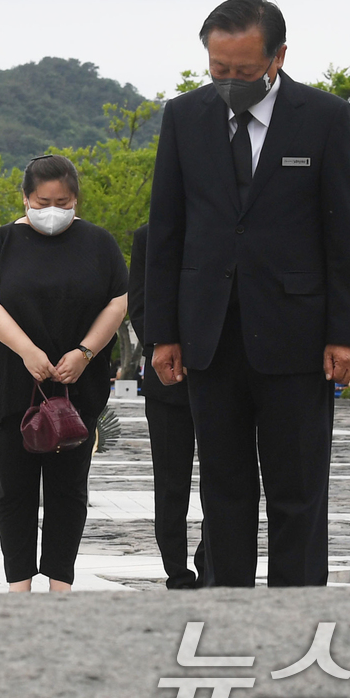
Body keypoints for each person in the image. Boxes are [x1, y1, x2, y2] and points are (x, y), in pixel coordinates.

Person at [145, 0, 350, 588]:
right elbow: (166, 232)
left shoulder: (323, 118)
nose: (230, 82)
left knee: (298, 493)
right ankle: (230, 618)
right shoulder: (184, 117)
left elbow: (344, 234)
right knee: (224, 490)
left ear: (278, 56)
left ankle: (296, 618)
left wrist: (346, 334)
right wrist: (162, 333)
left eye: (243, 72)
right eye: (219, 71)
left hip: (297, 338)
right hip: (209, 337)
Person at [0, 155, 128, 592]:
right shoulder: (1, 243)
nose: (53, 209)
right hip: (15, 383)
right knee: (14, 489)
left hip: (78, 385)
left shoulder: (99, 243)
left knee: (69, 490)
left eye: (63, 200)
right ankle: (18, 584)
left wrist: (85, 352)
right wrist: (26, 351)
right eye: (42, 201)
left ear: (75, 198)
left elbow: (118, 302)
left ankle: (61, 584)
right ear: (25, 198)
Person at [129, 223, 208, 589]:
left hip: (218, 375)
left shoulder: (225, 230)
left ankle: (212, 563)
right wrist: (166, 346)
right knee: (170, 480)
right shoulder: (149, 237)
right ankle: (176, 569)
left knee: (222, 477)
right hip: (166, 378)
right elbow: (140, 307)